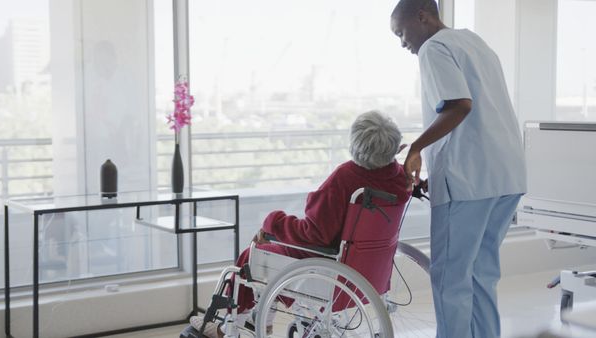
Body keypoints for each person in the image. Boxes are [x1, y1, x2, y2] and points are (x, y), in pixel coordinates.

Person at [188, 110, 411, 338]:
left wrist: (272, 223)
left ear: (355, 144)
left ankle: (227, 328)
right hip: (371, 273)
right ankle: (260, 321)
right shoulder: (400, 178)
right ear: (393, 146)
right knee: (271, 253)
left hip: (330, 269)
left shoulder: (346, 177)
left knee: (252, 254)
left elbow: (315, 235)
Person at [390, 1, 526, 337]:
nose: (403, 42)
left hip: (468, 180)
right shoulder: (475, 42)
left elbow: (459, 106)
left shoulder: (433, 47)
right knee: (481, 275)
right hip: (507, 175)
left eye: (401, 32)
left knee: (451, 277)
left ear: (422, 17)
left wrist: (417, 148)